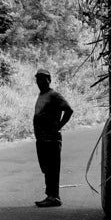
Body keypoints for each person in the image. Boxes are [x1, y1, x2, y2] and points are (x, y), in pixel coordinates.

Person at [33, 68, 73, 208]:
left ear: (49, 80)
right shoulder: (42, 95)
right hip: (42, 139)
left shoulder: (54, 95)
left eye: (44, 79)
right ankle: (50, 195)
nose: (41, 82)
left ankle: (54, 197)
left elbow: (68, 110)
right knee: (46, 168)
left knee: (52, 168)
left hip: (52, 139)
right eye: (38, 79)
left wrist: (58, 126)